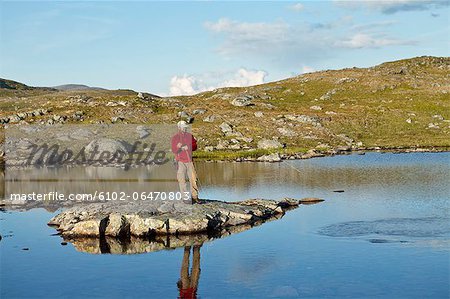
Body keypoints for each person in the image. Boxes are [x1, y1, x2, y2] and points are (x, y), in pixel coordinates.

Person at [171, 121, 199, 204]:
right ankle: (185, 198)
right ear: (179, 128)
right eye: (183, 127)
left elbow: (195, 146)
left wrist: (189, 146)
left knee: (193, 179)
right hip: (180, 161)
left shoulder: (190, 136)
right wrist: (177, 147)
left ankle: (195, 197)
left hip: (189, 160)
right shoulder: (175, 137)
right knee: (182, 180)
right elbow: (173, 150)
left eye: (185, 127)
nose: (185, 128)